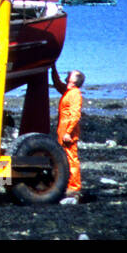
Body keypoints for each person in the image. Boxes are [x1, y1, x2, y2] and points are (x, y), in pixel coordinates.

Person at [51, 65, 85, 203]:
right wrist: (53, 68)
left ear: (75, 80)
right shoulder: (67, 91)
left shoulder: (75, 94)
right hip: (63, 129)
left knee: (71, 158)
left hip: (68, 131)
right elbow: (58, 84)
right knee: (64, 157)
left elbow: (76, 115)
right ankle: (66, 184)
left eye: (73, 74)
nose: (70, 73)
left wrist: (69, 132)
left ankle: (74, 187)